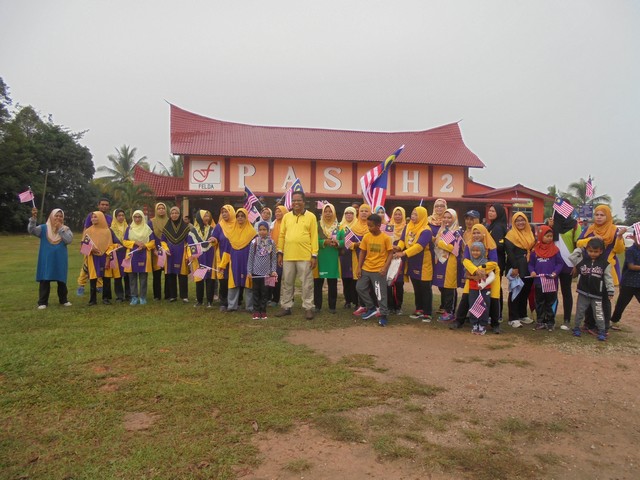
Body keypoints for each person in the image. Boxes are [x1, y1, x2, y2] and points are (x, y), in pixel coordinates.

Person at [576, 205, 626, 332]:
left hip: (606, 268)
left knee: (604, 299)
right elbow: (579, 243)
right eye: (597, 215)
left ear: (607, 216)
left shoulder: (614, 230)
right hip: (590, 268)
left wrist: (619, 237)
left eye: (602, 215)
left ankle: (603, 326)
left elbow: (619, 250)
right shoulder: (590, 229)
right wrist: (591, 238)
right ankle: (589, 324)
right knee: (588, 295)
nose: (598, 217)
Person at [275, 191, 319, 320]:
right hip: (288, 255)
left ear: (304, 202)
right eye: (294, 200)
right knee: (287, 282)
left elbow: (314, 236)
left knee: (307, 283)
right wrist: (280, 252)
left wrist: (314, 255)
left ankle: (308, 307)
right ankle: (286, 306)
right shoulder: (286, 217)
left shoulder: (311, 216)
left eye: (298, 200)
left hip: (305, 256)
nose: (296, 203)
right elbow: (282, 235)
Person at [451, 224, 501, 333]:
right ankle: (459, 321)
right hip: (473, 273)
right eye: (474, 233)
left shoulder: (491, 244)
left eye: (478, 232)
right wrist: (475, 270)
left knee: (493, 298)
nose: (476, 235)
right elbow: (466, 260)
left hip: (490, 274)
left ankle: (495, 324)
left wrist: (480, 269)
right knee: (466, 296)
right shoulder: (469, 244)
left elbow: (494, 262)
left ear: (484, 233)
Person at [569, 238, 614, 341]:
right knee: (580, 311)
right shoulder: (582, 260)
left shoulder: (605, 264)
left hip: (597, 294)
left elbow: (608, 278)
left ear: (601, 251)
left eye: (596, 251)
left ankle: (601, 331)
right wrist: (580, 249)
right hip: (583, 292)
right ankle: (576, 328)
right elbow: (571, 257)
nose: (593, 253)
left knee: (598, 313)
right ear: (587, 250)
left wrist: (610, 290)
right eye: (590, 251)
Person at [394, 206, 434, 322]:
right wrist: (398, 247)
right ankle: (419, 309)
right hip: (412, 261)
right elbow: (402, 240)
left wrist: (404, 253)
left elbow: (419, 246)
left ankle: (427, 312)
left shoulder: (426, 230)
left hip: (424, 261)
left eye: (416, 214)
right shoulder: (408, 226)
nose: (413, 216)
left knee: (425, 287)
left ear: (422, 216)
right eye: (412, 213)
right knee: (416, 286)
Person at [28, 207, 73, 309]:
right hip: (46, 258)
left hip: (60, 258)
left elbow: (68, 240)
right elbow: (31, 230)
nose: (58, 218)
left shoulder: (66, 229)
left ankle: (63, 300)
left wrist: (60, 229)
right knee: (45, 278)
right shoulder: (44, 228)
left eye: (60, 216)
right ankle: (42, 302)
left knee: (61, 279)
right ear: (51, 216)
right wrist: (33, 219)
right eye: (56, 216)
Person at [355, 213, 393, 326]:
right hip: (366, 268)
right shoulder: (366, 237)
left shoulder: (386, 238)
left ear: (378, 225)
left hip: (379, 270)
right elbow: (362, 252)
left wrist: (385, 268)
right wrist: (359, 267)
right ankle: (371, 308)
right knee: (359, 287)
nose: (369, 228)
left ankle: (383, 315)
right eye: (368, 225)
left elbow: (390, 253)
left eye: (371, 226)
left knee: (380, 294)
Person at [550, 202, 582, 330]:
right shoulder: (552, 224)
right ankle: (550, 318)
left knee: (566, 291)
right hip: (552, 263)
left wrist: (576, 265)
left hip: (568, 263)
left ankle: (567, 320)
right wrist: (549, 227)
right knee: (551, 291)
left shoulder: (575, 225)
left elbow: (579, 246)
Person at [528, 225, 564, 331]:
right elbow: (531, 264)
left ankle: (550, 322)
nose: (549, 238)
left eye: (551, 236)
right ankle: (540, 321)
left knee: (550, 301)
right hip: (538, 281)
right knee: (539, 301)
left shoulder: (555, 250)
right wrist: (532, 271)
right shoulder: (535, 250)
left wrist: (555, 272)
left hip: (551, 281)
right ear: (540, 236)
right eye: (546, 236)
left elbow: (560, 263)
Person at [504, 212, 536, 327]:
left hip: (528, 267)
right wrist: (515, 268)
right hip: (516, 267)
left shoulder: (530, 233)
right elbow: (510, 253)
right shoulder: (510, 235)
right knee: (515, 290)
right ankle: (513, 317)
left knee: (525, 291)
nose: (520, 223)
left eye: (523, 220)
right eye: (517, 221)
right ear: (514, 222)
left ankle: (522, 315)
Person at [433, 208, 463, 321]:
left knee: (449, 286)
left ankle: (450, 312)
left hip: (451, 262)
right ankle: (445, 308)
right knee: (442, 285)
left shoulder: (456, 232)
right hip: (440, 261)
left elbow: (454, 249)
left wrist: (439, 243)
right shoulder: (442, 230)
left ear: (454, 218)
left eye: (449, 217)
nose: (446, 220)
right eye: (444, 217)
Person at [77, 198, 112, 295]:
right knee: (86, 266)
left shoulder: (109, 218)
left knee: (101, 266)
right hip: (91, 247)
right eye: (102, 204)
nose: (104, 206)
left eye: (106, 205)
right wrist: (83, 244)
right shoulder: (92, 215)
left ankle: (99, 286)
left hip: (103, 247)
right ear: (98, 205)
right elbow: (86, 229)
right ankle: (81, 285)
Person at [84, 211, 120, 306]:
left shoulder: (107, 231)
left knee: (106, 278)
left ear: (101, 218)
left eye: (95, 217)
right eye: (92, 217)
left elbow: (110, 245)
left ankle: (106, 298)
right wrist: (91, 249)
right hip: (92, 257)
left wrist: (108, 259)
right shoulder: (88, 231)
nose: (93, 219)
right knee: (93, 278)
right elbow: (84, 244)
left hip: (105, 256)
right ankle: (92, 300)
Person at [464, 242, 499, 335]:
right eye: (473, 251)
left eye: (477, 250)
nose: (475, 252)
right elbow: (466, 275)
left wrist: (483, 284)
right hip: (473, 288)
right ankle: (474, 324)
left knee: (484, 306)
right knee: (473, 305)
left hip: (485, 289)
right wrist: (474, 277)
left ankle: (482, 325)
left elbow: (492, 276)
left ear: (483, 251)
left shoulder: (487, 263)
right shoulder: (470, 263)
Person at [226, 208, 257, 312]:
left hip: (247, 260)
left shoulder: (252, 232)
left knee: (248, 283)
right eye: (238, 216)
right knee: (233, 282)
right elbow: (227, 249)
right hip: (234, 260)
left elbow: (256, 249)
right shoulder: (231, 232)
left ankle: (250, 306)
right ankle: (232, 306)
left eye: (242, 216)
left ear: (246, 217)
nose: (240, 218)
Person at [123, 210, 156, 305]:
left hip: (144, 254)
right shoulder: (130, 228)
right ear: (133, 218)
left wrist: (145, 245)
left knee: (143, 277)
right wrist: (135, 242)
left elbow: (152, 242)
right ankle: (134, 297)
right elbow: (124, 242)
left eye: (139, 217)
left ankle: (142, 297)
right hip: (132, 255)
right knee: (132, 277)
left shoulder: (147, 228)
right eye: (135, 217)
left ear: (142, 218)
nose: (137, 219)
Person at [314, 203, 342, 313]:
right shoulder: (317, 225)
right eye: (326, 211)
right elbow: (313, 240)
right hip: (320, 257)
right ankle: (317, 306)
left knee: (332, 283)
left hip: (332, 257)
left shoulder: (339, 226)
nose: (328, 214)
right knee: (318, 283)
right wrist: (323, 242)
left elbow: (345, 241)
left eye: (330, 211)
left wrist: (338, 243)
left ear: (334, 213)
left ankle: (332, 306)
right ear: (322, 213)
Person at [247, 221, 277, 319]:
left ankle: (263, 311)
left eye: (264, 229)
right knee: (256, 292)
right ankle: (256, 311)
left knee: (265, 293)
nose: (262, 232)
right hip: (255, 273)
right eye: (260, 230)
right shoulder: (254, 242)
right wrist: (249, 271)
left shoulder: (272, 242)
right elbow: (251, 257)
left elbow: (273, 258)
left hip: (267, 274)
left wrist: (273, 270)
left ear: (268, 231)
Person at [610, 229, 640, 328]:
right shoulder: (631, 250)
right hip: (628, 283)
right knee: (621, 303)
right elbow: (631, 266)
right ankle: (614, 320)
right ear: (633, 237)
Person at [162, 206, 191, 303]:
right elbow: (163, 241)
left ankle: (184, 296)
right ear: (170, 215)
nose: (174, 215)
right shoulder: (166, 227)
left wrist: (188, 255)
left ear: (180, 214)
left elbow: (189, 242)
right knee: (171, 274)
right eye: (172, 213)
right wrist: (165, 249)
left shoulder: (185, 227)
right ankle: (173, 295)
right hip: (170, 254)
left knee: (183, 275)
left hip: (182, 253)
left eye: (176, 213)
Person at [188, 210, 216, 308]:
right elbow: (190, 244)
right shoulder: (193, 232)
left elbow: (216, 242)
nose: (207, 218)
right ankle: (199, 300)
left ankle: (209, 301)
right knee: (199, 279)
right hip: (198, 257)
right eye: (205, 216)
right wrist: (192, 255)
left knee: (210, 279)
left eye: (208, 216)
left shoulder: (212, 230)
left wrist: (214, 240)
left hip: (210, 256)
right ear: (199, 218)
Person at [485, 203, 508, 318]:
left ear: (499, 213)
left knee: (495, 288)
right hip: (493, 261)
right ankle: (493, 313)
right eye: (490, 210)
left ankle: (496, 314)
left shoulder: (498, 227)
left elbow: (499, 246)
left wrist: (486, 247)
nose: (490, 213)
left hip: (496, 262)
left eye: (493, 211)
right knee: (493, 287)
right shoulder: (493, 225)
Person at [350, 204, 373, 315]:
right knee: (360, 282)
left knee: (371, 282)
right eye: (362, 211)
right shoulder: (354, 227)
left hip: (371, 259)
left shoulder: (373, 227)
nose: (364, 213)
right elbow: (348, 243)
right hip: (357, 257)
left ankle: (373, 306)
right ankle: (362, 305)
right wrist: (355, 244)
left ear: (370, 213)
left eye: (366, 211)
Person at [211, 205, 235, 311]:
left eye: (226, 212)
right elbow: (215, 238)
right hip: (222, 255)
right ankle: (223, 302)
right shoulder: (219, 226)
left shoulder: (237, 224)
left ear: (231, 212)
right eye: (223, 212)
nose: (224, 214)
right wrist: (213, 240)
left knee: (234, 278)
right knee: (224, 279)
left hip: (235, 256)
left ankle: (236, 301)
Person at [387, 206, 407, 314]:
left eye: (400, 214)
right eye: (395, 214)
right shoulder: (388, 227)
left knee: (398, 283)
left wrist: (399, 249)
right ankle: (390, 306)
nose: (397, 216)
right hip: (389, 257)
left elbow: (408, 242)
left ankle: (398, 306)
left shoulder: (407, 228)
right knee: (388, 282)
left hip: (400, 258)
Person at [339, 206, 359, 310]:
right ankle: (347, 301)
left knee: (355, 279)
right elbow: (337, 239)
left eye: (351, 213)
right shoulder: (340, 226)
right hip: (344, 256)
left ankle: (356, 301)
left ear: (355, 214)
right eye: (346, 213)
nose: (349, 215)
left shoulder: (358, 226)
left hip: (355, 255)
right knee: (345, 279)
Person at [268, 205, 288, 307]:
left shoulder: (287, 224)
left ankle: (284, 298)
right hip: (272, 252)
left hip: (285, 253)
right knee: (272, 275)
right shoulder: (273, 224)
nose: (277, 213)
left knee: (283, 276)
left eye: (280, 211)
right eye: (276, 212)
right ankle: (272, 298)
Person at [149, 202, 169, 301]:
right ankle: (157, 295)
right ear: (156, 210)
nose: (161, 210)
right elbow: (150, 236)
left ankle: (168, 295)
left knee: (168, 274)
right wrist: (154, 249)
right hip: (156, 251)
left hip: (168, 250)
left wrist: (168, 248)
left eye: (163, 208)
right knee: (156, 274)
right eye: (159, 208)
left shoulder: (170, 221)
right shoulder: (151, 222)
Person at [110, 209, 131, 302]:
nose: (121, 217)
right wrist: (115, 245)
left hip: (127, 253)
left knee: (127, 275)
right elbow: (109, 242)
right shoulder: (111, 229)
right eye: (119, 215)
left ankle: (128, 294)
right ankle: (119, 296)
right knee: (117, 275)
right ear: (115, 217)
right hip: (117, 253)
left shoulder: (128, 228)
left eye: (122, 215)